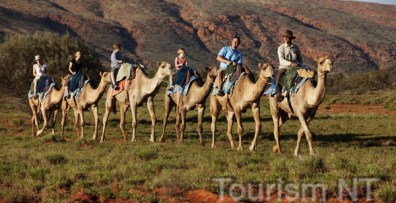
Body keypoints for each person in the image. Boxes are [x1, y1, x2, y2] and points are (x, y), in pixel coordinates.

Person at [272, 29, 303, 98]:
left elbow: (300, 58)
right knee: (280, 72)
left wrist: (300, 64)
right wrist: (290, 64)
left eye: (288, 37)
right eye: (285, 37)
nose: (286, 38)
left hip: (295, 67)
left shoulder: (295, 48)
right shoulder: (281, 48)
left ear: (291, 38)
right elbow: (281, 60)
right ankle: (278, 90)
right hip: (284, 66)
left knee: (307, 74)